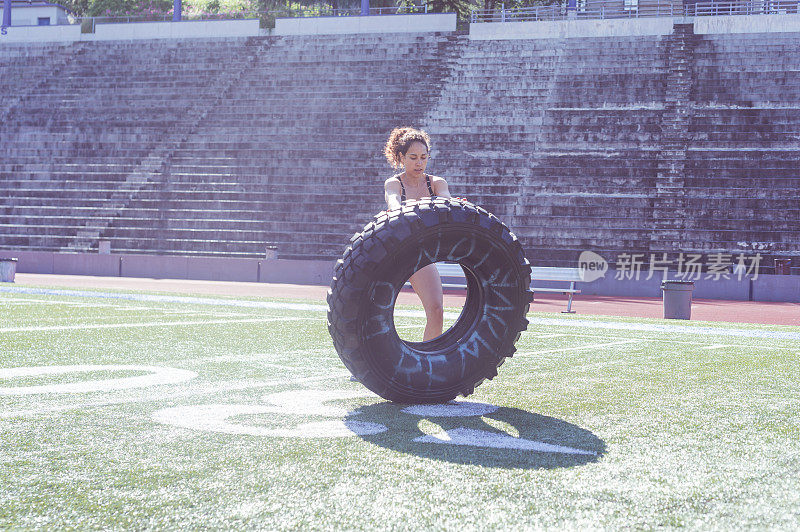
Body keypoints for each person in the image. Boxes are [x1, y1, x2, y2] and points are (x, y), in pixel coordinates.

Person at [383, 127, 452, 342]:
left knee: (436, 309)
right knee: (375, 312)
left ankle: (429, 361)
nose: (419, 163)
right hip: (389, 252)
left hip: (418, 253)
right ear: (401, 157)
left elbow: (447, 203)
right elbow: (394, 204)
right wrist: (410, 206)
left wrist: (454, 205)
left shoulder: (437, 183)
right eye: (413, 157)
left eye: (424, 157)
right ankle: (363, 366)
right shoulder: (394, 183)